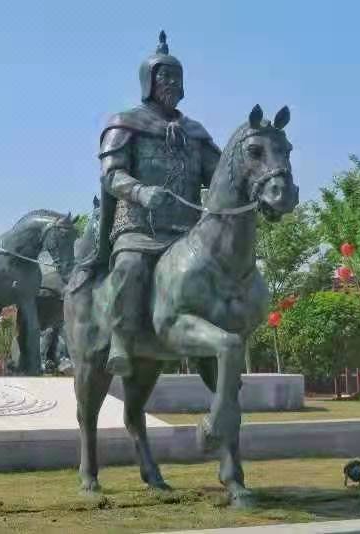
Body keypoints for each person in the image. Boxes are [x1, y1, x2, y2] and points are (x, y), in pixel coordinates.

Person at [93, 31, 222, 377]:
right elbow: (111, 174)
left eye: (177, 76)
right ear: (148, 81)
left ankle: (214, 347)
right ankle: (120, 337)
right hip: (139, 225)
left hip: (189, 231)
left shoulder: (195, 132)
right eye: (165, 76)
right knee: (130, 266)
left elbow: (219, 176)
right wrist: (140, 192)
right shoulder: (125, 123)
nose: (172, 83)